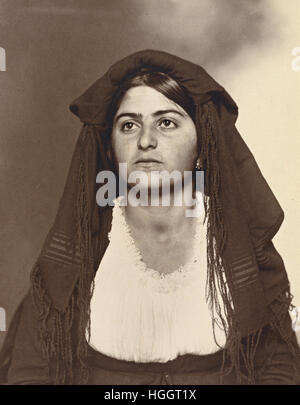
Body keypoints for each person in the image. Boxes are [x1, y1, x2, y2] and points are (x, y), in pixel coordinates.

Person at [0, 49, 299, 385]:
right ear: (111, 148)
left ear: (202, 145)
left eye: (166, 123)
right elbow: (30, 373)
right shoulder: (80, 249)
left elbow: (278, 369)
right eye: (129, 125)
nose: (145, 141)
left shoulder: (239, 248)